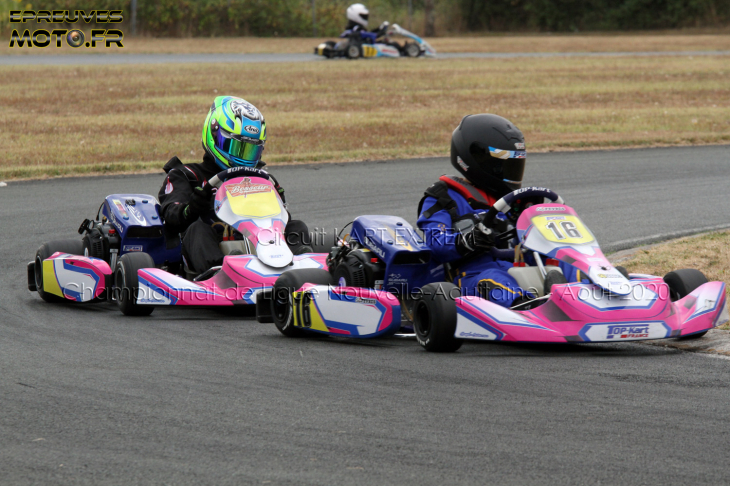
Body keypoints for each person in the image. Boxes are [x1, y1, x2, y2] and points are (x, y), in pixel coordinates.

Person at [417, 114, 573, 308]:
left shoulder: (517, 200)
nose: (511, 170)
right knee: (494, 280)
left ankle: (603, 288)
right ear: (477, 159)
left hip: (520, 265)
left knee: (567, 262)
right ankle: (526, 307)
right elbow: (435, 243)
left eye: (515, 164)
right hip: (471, 274)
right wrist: (467, 240)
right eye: (504, 164)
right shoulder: (443, 198)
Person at [158, 96, 311, 274]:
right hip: (208, 248)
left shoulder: (261, 178)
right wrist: (191, 209)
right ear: (214, 135)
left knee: (296, 227)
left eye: (250, 150)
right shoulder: (187, 175)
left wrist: (276, 201)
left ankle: (304, 268)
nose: (243, 158)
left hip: (260, 242)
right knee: (197, 230)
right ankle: (224, 272)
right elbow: (171, 215)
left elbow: (277, 222)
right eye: (236, 147)